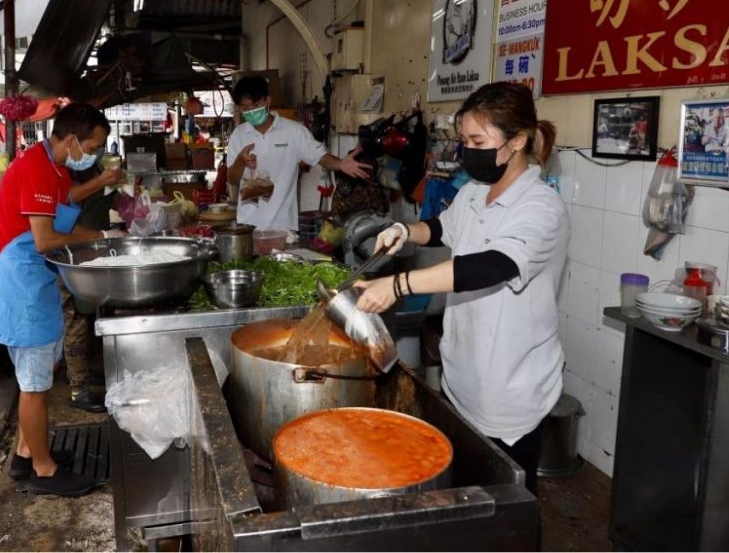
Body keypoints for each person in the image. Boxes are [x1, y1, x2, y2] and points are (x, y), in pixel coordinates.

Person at [354, 82, 569, 497]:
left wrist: (398, 283)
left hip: (511, 387)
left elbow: (491, 266)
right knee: (468, 499)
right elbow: (441, 229)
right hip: (463, 376)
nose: (467, 150)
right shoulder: (473, 192)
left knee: (509, 508)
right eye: (464, 140)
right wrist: (405, 230)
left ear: (517, 141)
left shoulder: (541, 208)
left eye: (477, 140)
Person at [0, 103, 123, 497]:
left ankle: (24, 455)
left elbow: (66, 219)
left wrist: (100, 237)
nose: (96, 152)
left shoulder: (55, 169)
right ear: (71, 139)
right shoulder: (35, 169)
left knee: (38, 378)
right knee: (34, 387)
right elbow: (47, 239)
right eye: (94, 145)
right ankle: (43, 471)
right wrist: (100, 240)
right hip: (21, 287)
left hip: (37, 283)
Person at [225, 77, 371, 230]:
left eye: (256, 105)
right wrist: (241, 160)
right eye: (245, 108)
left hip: (283, 227)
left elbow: (320, 156)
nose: (252, 112)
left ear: (268, 100)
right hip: (247, 226)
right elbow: (232, 179)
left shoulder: (293, 131)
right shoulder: (239, 134)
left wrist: (340, 164)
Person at [60, 157, 126, 413]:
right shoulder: (66, 169)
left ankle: (91, 372)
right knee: (76, 318)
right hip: (74, 251)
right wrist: (102, 181)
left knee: (94, 313)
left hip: (95, 249)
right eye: (92, 143)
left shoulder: (96, 165)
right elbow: (66, 199)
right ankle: (79, 390)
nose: (95, 149)